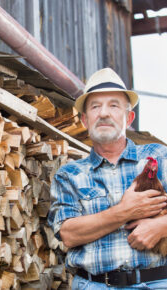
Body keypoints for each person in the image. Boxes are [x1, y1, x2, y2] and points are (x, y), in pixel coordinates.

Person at [48, 68, 167, 289]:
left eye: (114, 105)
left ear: (128, 117)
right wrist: (126, 211)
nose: (104, 113)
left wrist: (162, 226)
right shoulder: (69, 174)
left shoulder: (160, 156)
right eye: (95, 107)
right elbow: (68, 234)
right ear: (84, 120)